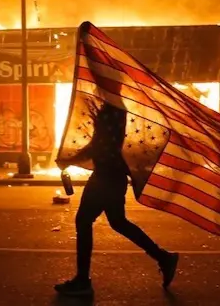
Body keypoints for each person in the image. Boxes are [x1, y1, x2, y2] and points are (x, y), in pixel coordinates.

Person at [54, 103, 179, 297]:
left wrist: (69, 160)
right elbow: (100, 144)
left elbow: (98, 146)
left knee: (84, 220)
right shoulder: (114, 107)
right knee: (118, 222)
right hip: (112, 175)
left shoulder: (111, 109)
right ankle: (163, 257)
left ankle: (82, 281)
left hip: (106, 176)